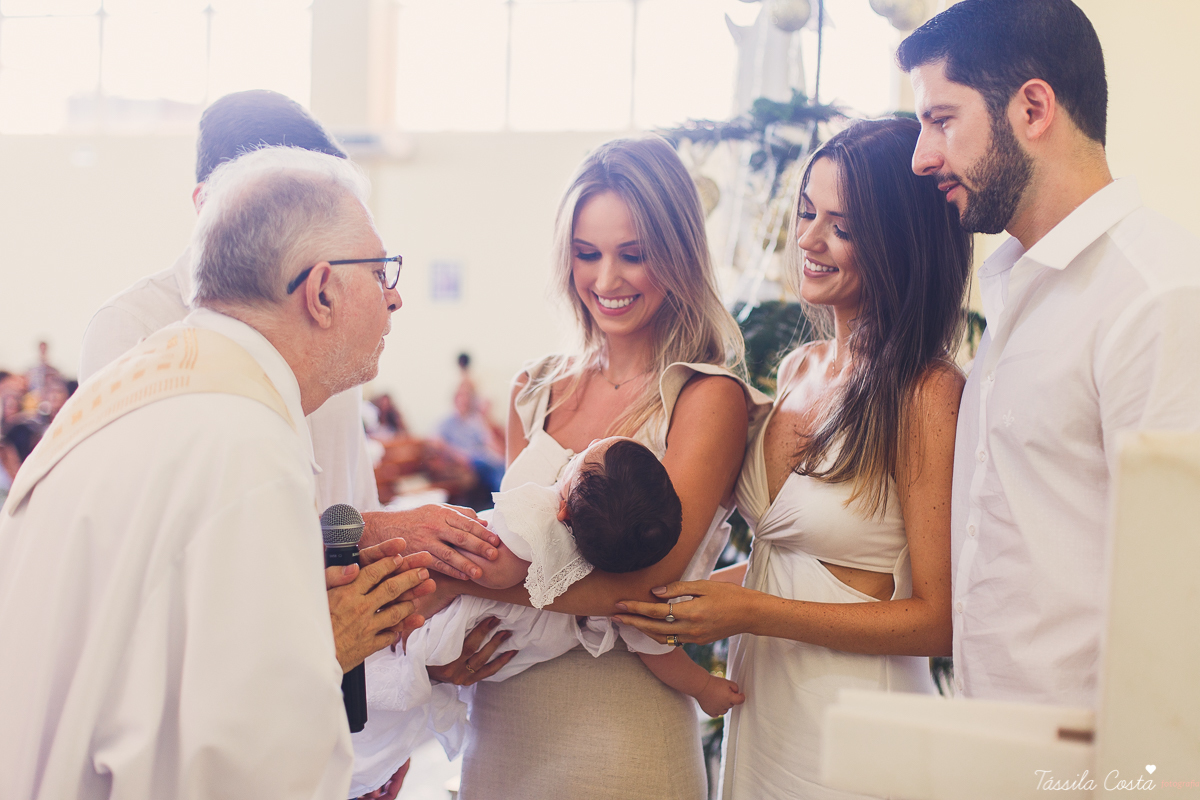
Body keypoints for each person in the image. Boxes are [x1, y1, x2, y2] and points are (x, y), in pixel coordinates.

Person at [0, 147, 436, 799]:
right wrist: (326, 669)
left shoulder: (142, 383)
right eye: (380, 271)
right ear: (321, 291)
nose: (395, 297)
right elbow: (239, 758)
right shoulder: (244, 444)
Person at [616, 118, 972, 799]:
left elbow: (939, 619)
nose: (806, 239)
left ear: (900, 241)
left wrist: (749, 612)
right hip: (765, 714)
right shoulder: (801, 367)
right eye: (808, 212)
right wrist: (670, 597)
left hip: (859, 732)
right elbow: (800, 561)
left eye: (841, 226)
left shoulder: (927, 393)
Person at [431, 135, 769, 800]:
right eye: (587, 254)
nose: (606, 280)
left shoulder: (705, 398)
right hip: (501, 725)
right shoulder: (536, 389)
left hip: (624, 737)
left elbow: (647, 585)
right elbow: (522, 531)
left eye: (633, 255)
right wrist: (452, 647)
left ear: (677, 254)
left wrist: (464, 573)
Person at [896, 0, 1200, 706]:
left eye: (942, 120)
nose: (921, 157)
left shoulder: (1156, 295)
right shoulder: (1016, 287)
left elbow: (1177, 597)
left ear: (1033, 109)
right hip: (997, 745)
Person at [78, 89, 502, 586]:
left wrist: (409, 636)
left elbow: (351, 501)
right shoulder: (132, 327)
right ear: (206, 204)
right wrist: (362, 538)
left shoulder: (332, 329)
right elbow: (153, 547)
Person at [351, 436, 744, 797]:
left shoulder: (539, 523)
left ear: (562, 509)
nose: (570, 458)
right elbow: (655, 648)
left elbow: (488, 566)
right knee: (377, 716)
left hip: (442, 620)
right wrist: (704, 688)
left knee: (367, 700)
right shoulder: (607, 582)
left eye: (578, 460)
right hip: (486, 655)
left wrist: (452, 579)